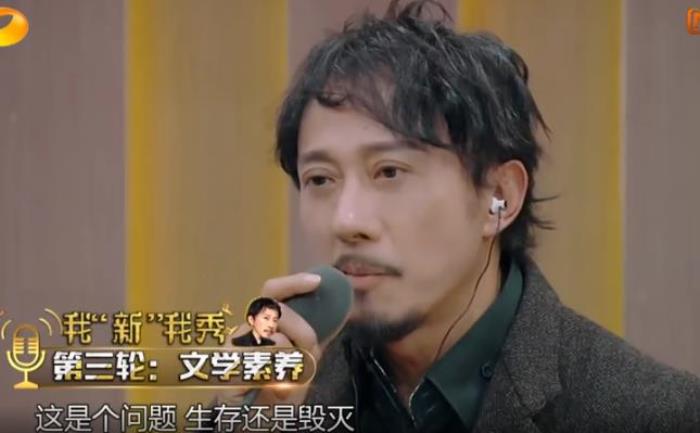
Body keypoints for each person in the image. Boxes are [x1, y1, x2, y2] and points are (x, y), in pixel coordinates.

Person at [223, 1, 700, 431]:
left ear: (499, 197)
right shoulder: (282, 401)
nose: (347, 221)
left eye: (389, 172)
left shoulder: (654, 413)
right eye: (321, 179)